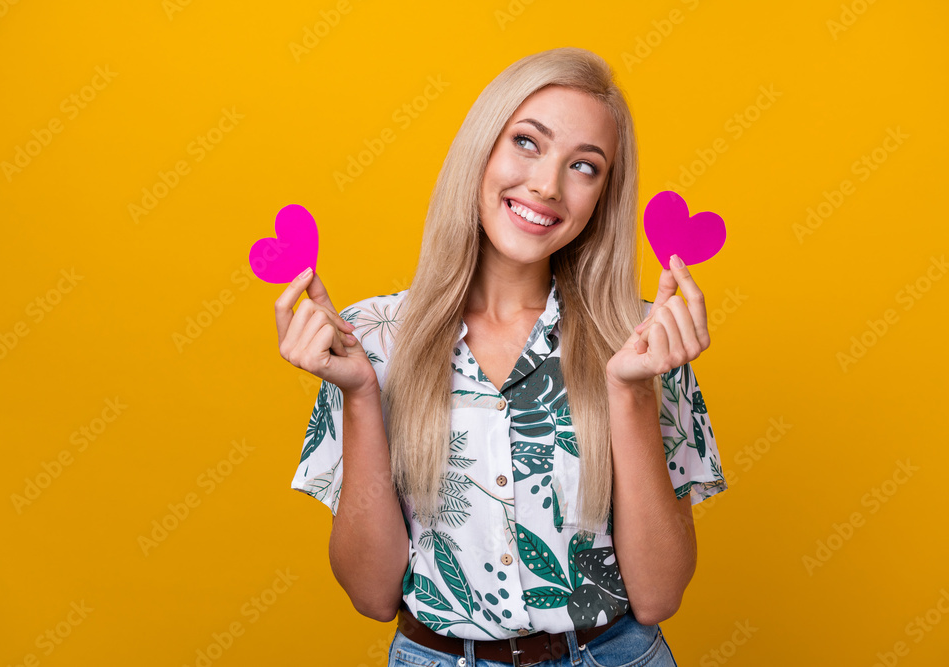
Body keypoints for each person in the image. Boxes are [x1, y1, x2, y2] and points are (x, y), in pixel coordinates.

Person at [278, 47, 727, 667]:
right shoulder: (372, 337)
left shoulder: (645, 341)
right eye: (526, 142)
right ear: (481, 149)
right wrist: (358, 395)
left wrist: (630, 393)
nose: (547, 185)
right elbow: (371, 595)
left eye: (584, 166)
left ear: (603, 197)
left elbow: (659, 595)